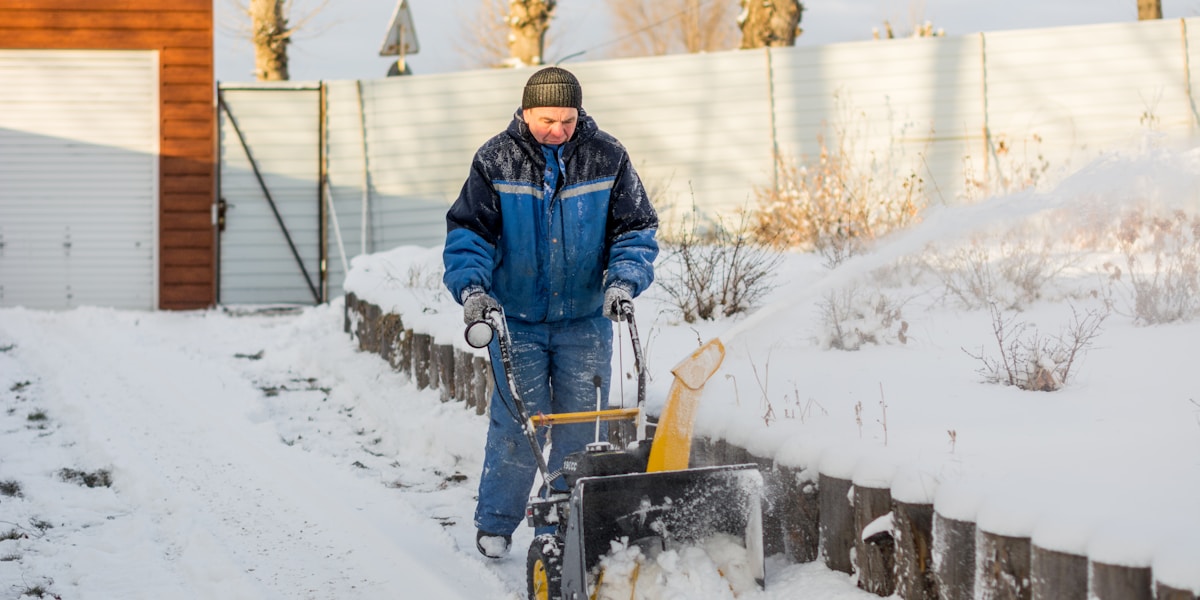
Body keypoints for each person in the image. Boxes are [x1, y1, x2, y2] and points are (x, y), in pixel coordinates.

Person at [442, 66, 659, 559]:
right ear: (525, 111)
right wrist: (473, 290)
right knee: (520, 422)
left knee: (583, 425)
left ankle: (568, 519)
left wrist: (623, 281)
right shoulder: (495, 160)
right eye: (546, 119)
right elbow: (469, 235)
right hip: (514, 320)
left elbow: (636, 229)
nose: (557, 130)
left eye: (567, 119)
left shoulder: (608, 156)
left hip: (585, 318)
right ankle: (497, 522)